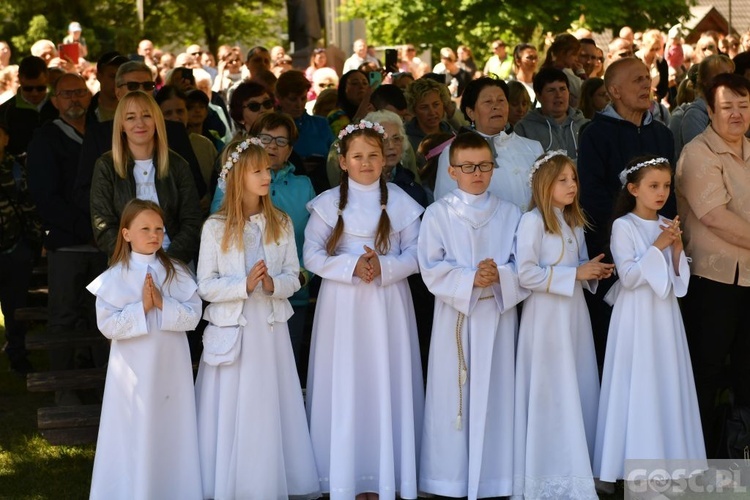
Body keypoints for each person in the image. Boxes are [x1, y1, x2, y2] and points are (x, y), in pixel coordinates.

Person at [304, 120, 424, 499]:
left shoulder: (403, 204)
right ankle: (342, 474)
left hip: (387, 303)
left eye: (374, 154)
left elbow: (418, 254)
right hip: (342, 305)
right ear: (343, 161)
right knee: (345, 380)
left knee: (383, 378)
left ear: (386, 158)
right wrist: (351, 266)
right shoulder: (326, 206)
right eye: (357, 156)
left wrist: (384, 267)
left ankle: (384, 474)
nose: (366, 162)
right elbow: (311, 254)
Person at [194, 137, 320, 499]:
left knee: (268, 399)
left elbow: (294, 273)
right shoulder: (215, 228)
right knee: (234, 400)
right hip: (233, 327)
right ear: (237, 177)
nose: (268, 175)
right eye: (259, 170)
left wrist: (271, 283)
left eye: (268, 168)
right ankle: (228, 480)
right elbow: (205, 285)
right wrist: (243, 285)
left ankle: (269, 477)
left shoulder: (279, 222)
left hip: (269, 328)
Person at [418, 132, 527, 499]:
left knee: (498, 394)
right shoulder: (438, 214)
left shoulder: (511, 213)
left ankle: (497, 479)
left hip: (497, 316)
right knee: (455, 396)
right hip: (456, 318)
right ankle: (448, 480)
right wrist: (469, 278)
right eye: (468, 167)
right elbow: (430, 268)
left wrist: (499, 276)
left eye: (484, 166)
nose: (477, 173)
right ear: (452, 171)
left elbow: (523, 267)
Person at [593, 156, 705, 484]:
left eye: (666, 186)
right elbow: (628, 277)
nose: (661, 193)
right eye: (653, 186)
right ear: (633, 188)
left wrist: (675, 250)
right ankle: (630, 463)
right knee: (637, 380)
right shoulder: (623, 226)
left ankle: (670, 460)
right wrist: (659, 245)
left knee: (664, 377)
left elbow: (678, 277)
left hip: (664, 316)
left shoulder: (666, 223)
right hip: (636, 316)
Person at [513, 151, 613, 500]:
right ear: (544, 184)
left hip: (573, 317)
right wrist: (575, 274)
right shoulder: (532, 222)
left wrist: (592, 271)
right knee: (550, 388)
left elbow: (580, 266)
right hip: (544, 319)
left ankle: (577, 467)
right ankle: (547, 472)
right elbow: (525, 274)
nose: (572, 185)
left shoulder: (573, 222)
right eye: (563, 180)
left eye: (574, 179)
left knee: (577, 381)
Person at [87, 199, 202, 500]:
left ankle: (172, 488)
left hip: (169, 366)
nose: (154, 235)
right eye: (145, 228)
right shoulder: (115, 276)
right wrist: (142, 308)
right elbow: (108, 326)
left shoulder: (175, 271)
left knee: (169, 425)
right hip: (132, 369)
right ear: (125, 233)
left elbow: (193, 316)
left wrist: (163, 304)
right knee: (134, 426)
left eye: (159, 229)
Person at [577, 57, 675, 371]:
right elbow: (592, 195)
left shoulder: (662, 133)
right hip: (613, 252)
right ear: (615, 91)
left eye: (648, 77)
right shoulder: (594, 134)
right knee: (616, 344)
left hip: (660, 248)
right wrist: (626, 241)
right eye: (638, 80)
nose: (647, 84)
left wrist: (666, 238)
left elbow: (669, 196)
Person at [676, 73, 750, 457]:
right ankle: (700, 458)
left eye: (743, 105)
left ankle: (740, 454)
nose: (736, 115)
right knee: (706, 374)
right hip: (712, 281)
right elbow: (715, 216)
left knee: (746, 373)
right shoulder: (698, 153)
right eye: (727, 107)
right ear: (709, 111)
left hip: (748, 281)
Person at [89, 91, 202, 263]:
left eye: (147, 116)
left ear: (157, 121)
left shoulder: (178, 165)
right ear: (121, 125)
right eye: (130, 117)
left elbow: (192, 220)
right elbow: (103, 224)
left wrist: (169, 262)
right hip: (126, 265)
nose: (139, 123)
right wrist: (134, 262)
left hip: (175, 264)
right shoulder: (106, 166)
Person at [434, 77, 544, 210]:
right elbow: (447, 206)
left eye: (501, 100)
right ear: (471, 113)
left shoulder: (533, 148)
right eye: (488, 102)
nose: (496, 106)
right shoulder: (453, 152)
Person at [0, 120, 43, 375]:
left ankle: (17, 353)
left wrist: (33, 243)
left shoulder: (16, 170)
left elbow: (30, 208)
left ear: (6, 139)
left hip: (14, 249)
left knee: (15, 308)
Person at [514, 67, 589, 162]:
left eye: (562, 89)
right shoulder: (523, 129)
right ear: (538, 96)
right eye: (551, 90)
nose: (558, 95)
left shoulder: (586, 126)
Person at [0, 55, 58, 157]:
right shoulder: (5, 111)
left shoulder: (60, 104)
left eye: (40, 88)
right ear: (19, 79)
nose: (34, 93)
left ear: (47, 77)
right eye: (28, 88)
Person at [404, 77, 455, 153]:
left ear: (443, 104)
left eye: (436, 105)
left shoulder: (453, 134)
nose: (432, 112)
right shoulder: (405, 139)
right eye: (424, 107)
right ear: (414, 110)